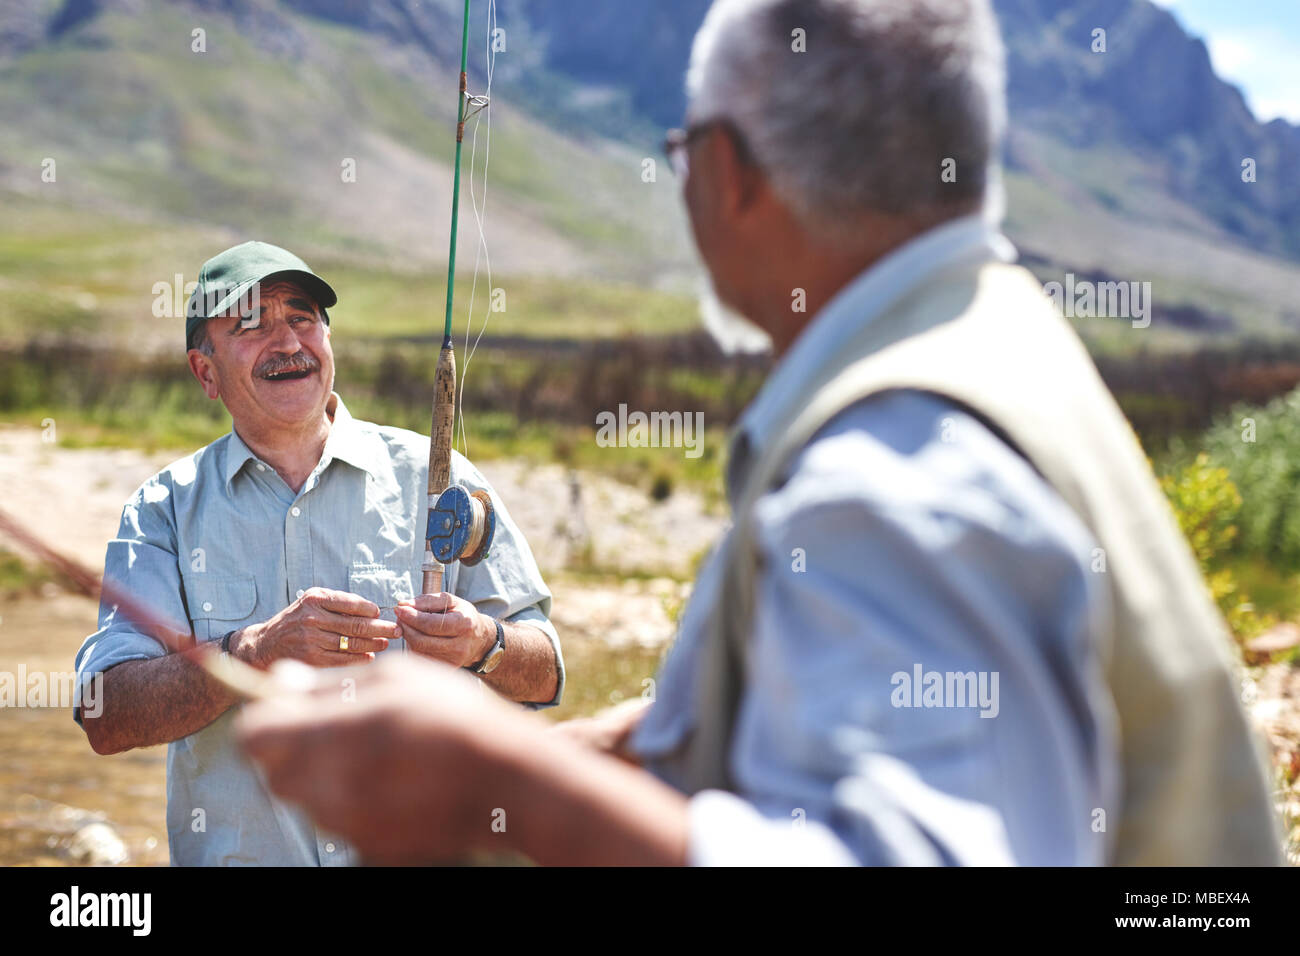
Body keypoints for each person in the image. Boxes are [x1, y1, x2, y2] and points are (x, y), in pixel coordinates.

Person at [236, 0, 1280, 865]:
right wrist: (620, 746)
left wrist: (500, 779)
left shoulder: (893, 465)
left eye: (679, 149)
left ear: (727, 172)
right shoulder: (991, 338)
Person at [74, 240, 564, 866]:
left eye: (301, 316)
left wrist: (484, 643)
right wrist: (251, 652)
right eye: (250, 324)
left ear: (327, 340)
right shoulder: (162, 510)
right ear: (206, 372)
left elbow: (546, 672)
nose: (286, 342)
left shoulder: (436, 478)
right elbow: (105, 714)